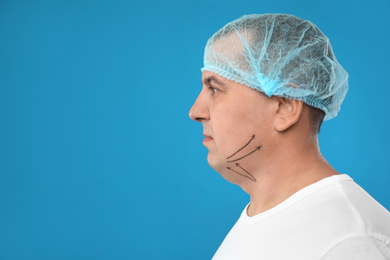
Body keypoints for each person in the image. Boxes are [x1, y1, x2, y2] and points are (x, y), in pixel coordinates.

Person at [189, 14, 390, 259]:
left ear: (285, 107)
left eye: (215, 88)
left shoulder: (349, 242)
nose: (195, 112)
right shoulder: (264, 217)